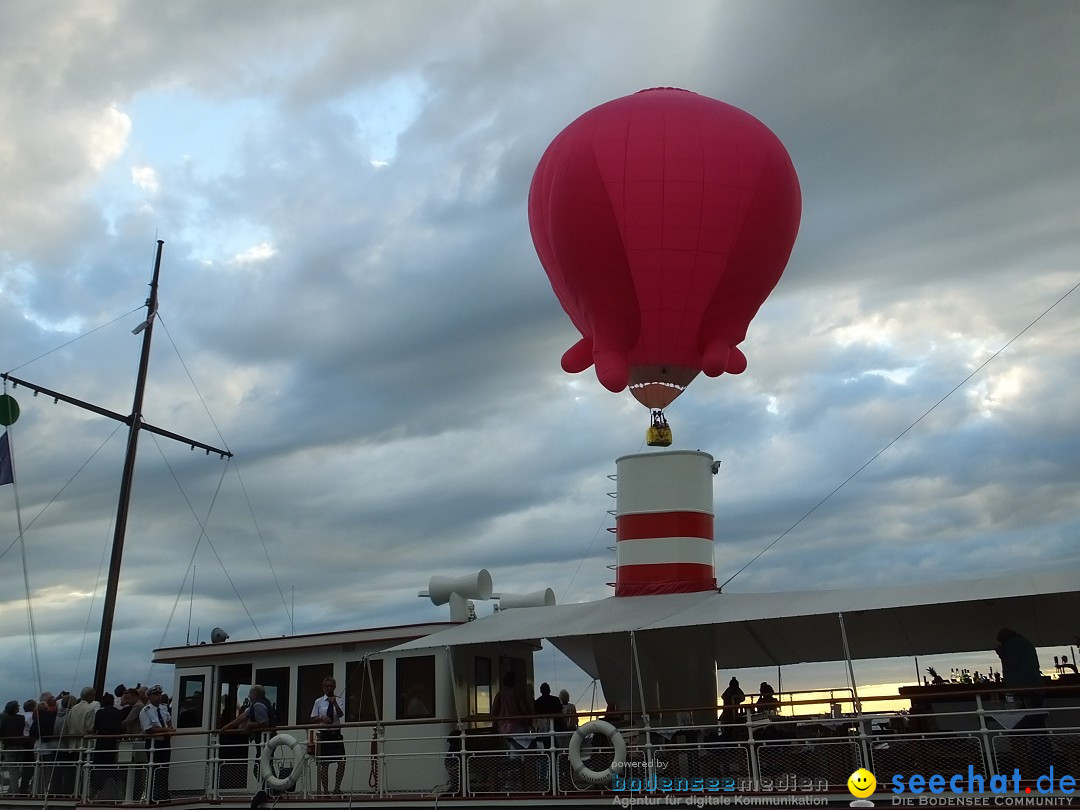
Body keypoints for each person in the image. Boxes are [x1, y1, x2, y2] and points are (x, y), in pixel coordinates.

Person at [310, 676, 345, 794]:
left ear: (334, 687)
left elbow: (340, 715)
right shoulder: (318, 701)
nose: (329, 688)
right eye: (327, 686)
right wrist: (321, 718)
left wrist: (335, 704)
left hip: (335, 733)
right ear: (323, 687)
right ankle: (325, 791)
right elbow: (312, 718)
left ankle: (337, 788)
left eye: (331, 686)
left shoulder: (339, 699)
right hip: (325, 734)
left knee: (341, 761)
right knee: (324, 764)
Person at [139, 685, 174, 802]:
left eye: (159, 694)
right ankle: (152, 796)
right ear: (149, 696)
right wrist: (165, 730)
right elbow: (149, 729)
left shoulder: (164, 708)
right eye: (155, 695)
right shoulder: (146, 711)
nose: (158, 697)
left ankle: (163, 795)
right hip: (154, 743)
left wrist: (169, 729)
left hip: (165, 742)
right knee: (154, 769)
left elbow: (168, 721)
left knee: (164, 769)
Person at [90, 692, 125, 800]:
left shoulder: (100, 712)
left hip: (102, 743)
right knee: (112, 767)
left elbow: (95, 728)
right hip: (114, 744)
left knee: (99, 768)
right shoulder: (118, 713)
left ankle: (98, 792)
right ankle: (113, 794)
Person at [491, 671, 532, 748]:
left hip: (502, 727)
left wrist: (495, 725)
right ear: (514, 681)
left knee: (513, 750)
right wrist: (529, 722)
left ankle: (514, 758)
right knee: (529, 748)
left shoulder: (499, 694)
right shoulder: (518, 693)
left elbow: (494, 711)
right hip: (516, 726)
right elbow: (525, 710)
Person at [1, 699, 32, 796]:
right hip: (20, 746)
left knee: (12, 771)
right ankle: (12, 790)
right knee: (18, 770)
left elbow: (1, 731)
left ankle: (14, 792)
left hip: (9, 747)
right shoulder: (21, 718)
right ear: (15, 709)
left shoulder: (4, 719)